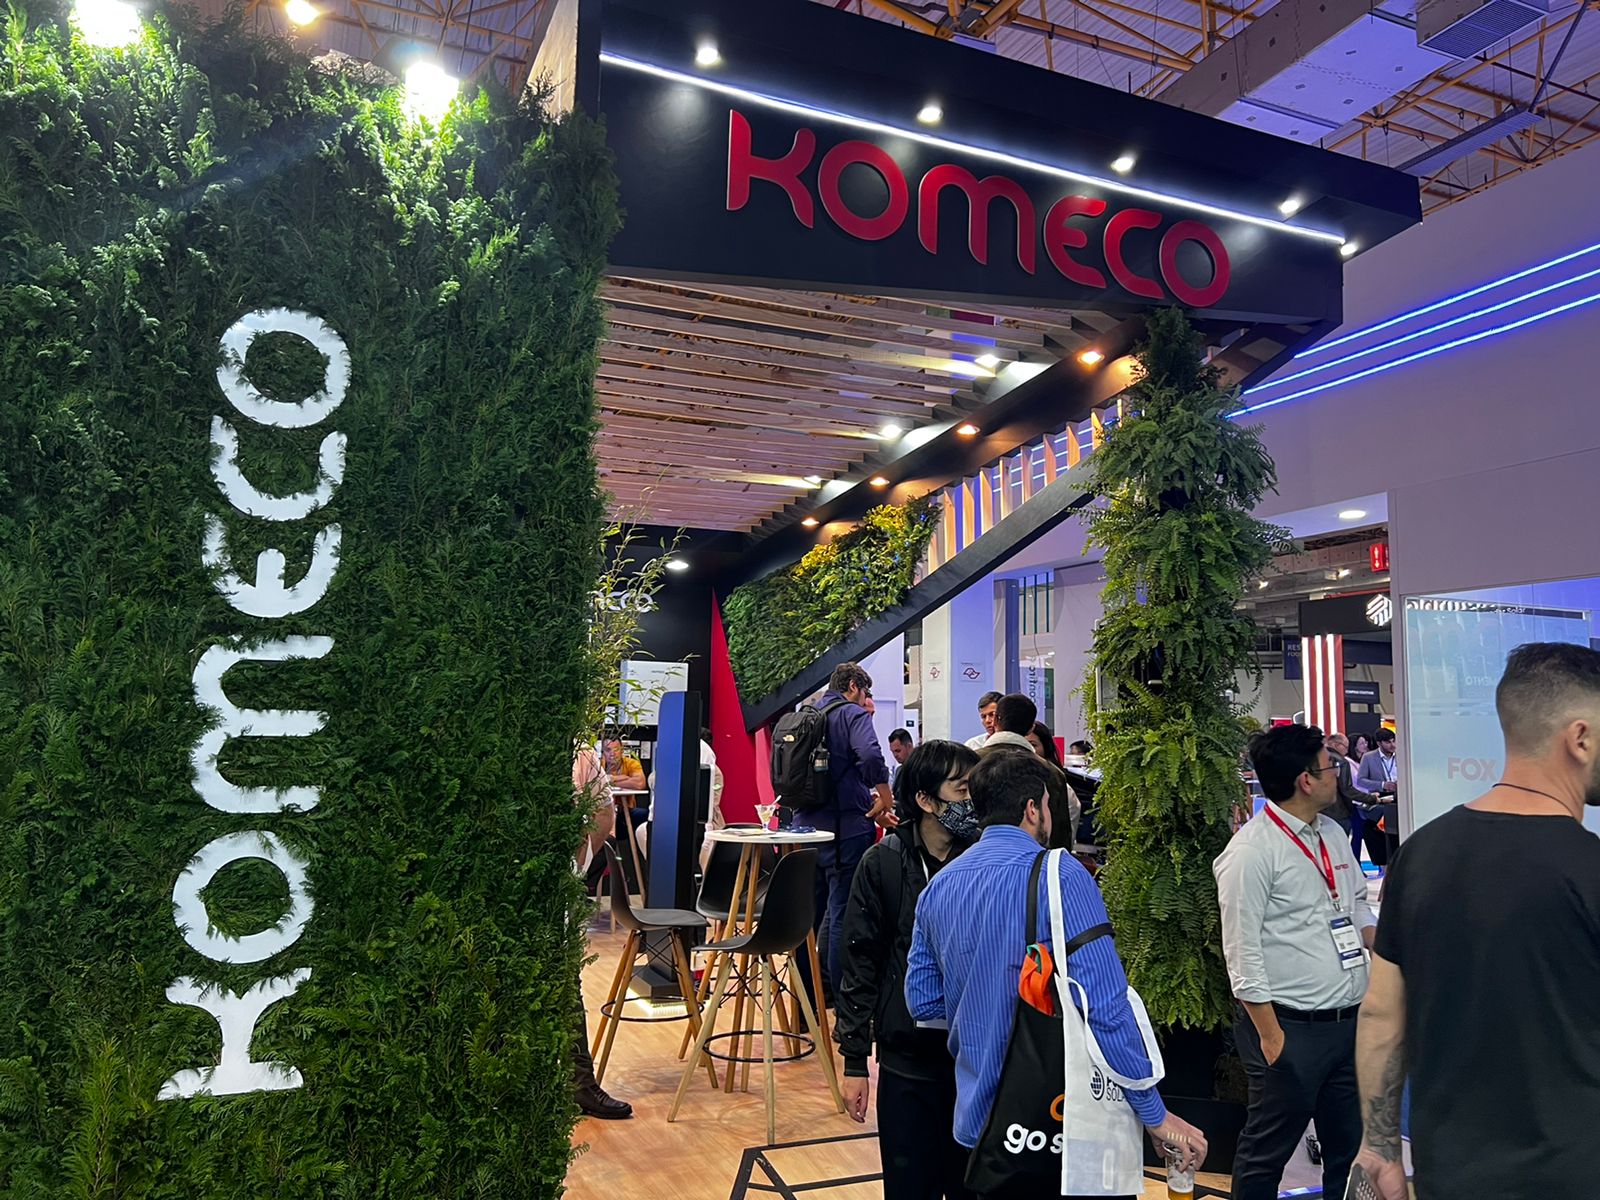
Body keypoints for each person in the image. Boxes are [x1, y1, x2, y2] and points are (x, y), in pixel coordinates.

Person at [1352, 643, 1600, 1200]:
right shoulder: (1591, 870)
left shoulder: (1419, 855)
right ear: (1580, 738)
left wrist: (1380, 1147)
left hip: (1451, 1174)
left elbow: (1382, 1013)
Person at [907, 752, 1205, 1199]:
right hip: (1057, 1129)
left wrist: (984, 1004)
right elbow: (1105, 1007)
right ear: (1033, 808)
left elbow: (924, 1003)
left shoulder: (939, 887)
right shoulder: (1060, 875)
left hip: (979, 1130)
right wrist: (1155, 1115)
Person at [1214, 725, 1375, 1200]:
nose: (1337, 774)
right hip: (1289, 1029)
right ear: (1306, 780)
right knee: (1267, 1153)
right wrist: (1272, 1037)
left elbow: (1356, 904)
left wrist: (1385, 943)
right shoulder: (1251, 853)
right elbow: (1241, 953)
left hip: (1348, 1024)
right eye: (1330, 766)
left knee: (1347, 1152)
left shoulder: (1333, 833)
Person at [837, 740, 981, 1200]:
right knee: (909, 1187)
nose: (972, 801)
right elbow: (860, 961)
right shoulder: (884, 862)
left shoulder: (982, 860)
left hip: (976, 1059)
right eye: (961, 790)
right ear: (925, 799)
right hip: (907, 1058)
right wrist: (855, 1062)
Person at [810, 662, 894, 996]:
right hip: (844, 828)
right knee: (844, 913)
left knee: (812, 918)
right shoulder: (851, 714)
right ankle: (846, 1005)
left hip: (804, 830)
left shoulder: (808, 715)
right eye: (864, 692)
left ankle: (810, 1003)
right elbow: (870, 755)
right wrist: (886, 795)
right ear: (854, 686)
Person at [572, 744, 632, 1120]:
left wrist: (576, 864)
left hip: (553, 884)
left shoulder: (580, 752)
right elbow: (604, 812)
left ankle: (581, 1083)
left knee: (564, 982)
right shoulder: (579, 751)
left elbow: (604, 812)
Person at [978, 693, 1077, 850]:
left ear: (995, 720)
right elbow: (1060, 838)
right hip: (1036, 862)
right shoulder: (1053, 773)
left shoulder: (970, 762)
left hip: (977, 860)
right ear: (1031, 727)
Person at [1356, 728, 1400, 865]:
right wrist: (1382, 785)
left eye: (1394, 741)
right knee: (1383, 840)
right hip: (1380, 799)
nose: (1392, 745)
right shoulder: (1369, 757)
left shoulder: (1401, 754)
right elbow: (1361, 780)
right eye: (1388, 742)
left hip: (1400, 797)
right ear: (1379, 743)